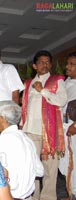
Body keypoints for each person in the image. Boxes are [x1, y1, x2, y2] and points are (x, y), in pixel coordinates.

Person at [21, 50, 67, 200]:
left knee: (50, 168)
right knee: (32, 167)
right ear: (34, 65)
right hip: (30, 131)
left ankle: (48, 197)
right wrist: (21, 125)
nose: (45, 65)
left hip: (49, 131)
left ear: (51, 64)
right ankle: (33, 197)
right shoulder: (28, 83)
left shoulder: (57, 80)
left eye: (47, 62)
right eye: (41, 62)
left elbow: (61, 101)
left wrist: (43, 91)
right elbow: (24, 106)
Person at [0, 100, 44, 199]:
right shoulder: (26, 138)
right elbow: (40, 171)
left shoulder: (4, 140)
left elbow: (0, 176)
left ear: (3, 119)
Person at [59, 51, 76, 200]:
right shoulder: (65, 82)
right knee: (67, 163)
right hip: (65, 128)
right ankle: (71, 193)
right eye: (68, 63)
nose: (67, 66)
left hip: (74, 128)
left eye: (72, 64)